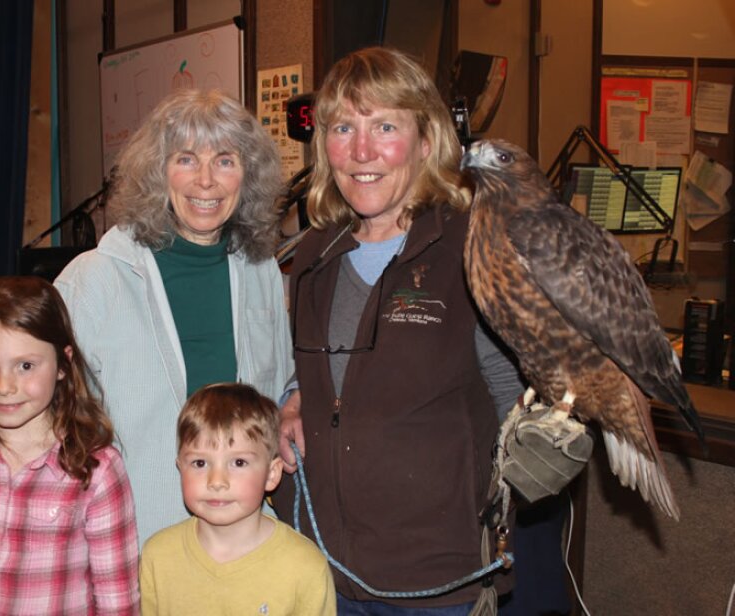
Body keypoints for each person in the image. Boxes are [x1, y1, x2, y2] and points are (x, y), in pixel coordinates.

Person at [274, 47, 516, 615]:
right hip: (320, 571)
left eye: (385, 126)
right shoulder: (313, 254)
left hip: (437, 583)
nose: (361, 151)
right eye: (343, 128)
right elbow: (331, 380)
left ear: (426, 141)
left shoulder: (473, 247)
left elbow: (516, 409)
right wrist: (295, 401)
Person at [55, 89, 294, 546]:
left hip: (245, 539)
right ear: (157, 173)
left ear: (248, 177)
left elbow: (280, 386)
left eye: (225, 161)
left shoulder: (261, 268)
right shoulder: (94, 280)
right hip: (133, 540)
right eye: (186, 159)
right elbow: (55, 424)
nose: (206, 181)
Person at [0, 276, 139, 615]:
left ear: (63, 364)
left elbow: (117, 602)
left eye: (26, 366)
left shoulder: (97, 470)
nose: (5, 386)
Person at [139, 383, 335, 615]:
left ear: (272, 474)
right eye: (200, 463)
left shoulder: (306, 567)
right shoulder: (157, 556)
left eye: (238, 462)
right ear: (180, 468)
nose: (217, 481)